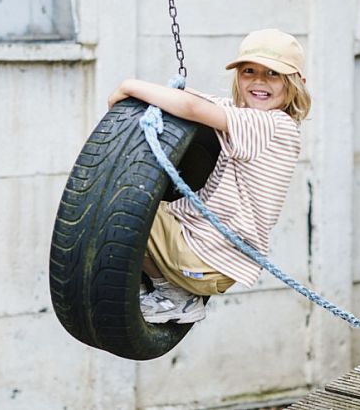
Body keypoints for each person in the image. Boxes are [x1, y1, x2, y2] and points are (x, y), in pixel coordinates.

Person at [107, 28, 311, 324]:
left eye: (272, 74)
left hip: (204, 261)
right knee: (146, 204)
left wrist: (128, 86)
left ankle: (175, 298)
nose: (258, 82)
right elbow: (194, 99)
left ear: (296, 83)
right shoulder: (250, 115)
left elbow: (192, 108)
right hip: (209, 255)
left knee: (129, 201)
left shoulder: (270, 125)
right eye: (249, 71)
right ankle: (162, 284)